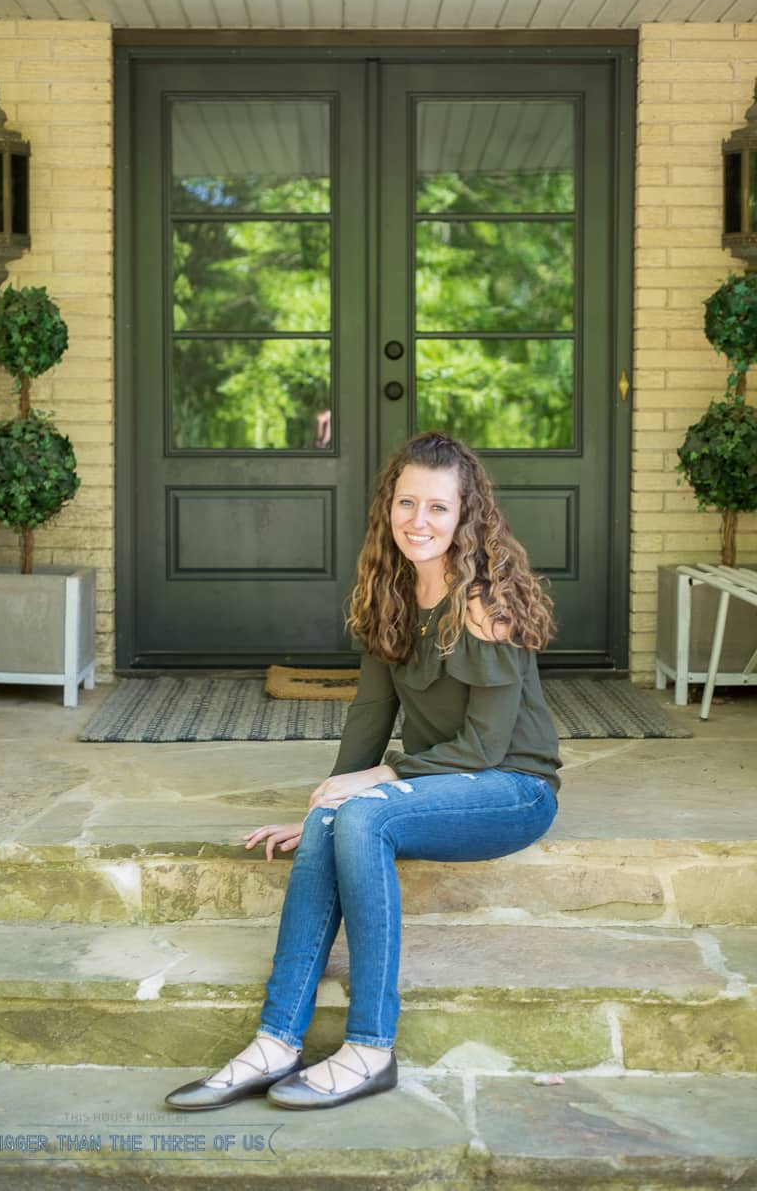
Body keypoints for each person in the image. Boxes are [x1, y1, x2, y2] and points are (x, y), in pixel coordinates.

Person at [165, 431, 561, 1113]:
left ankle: (371, 1047)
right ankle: (276, 1040)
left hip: (512, 789)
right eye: (407, 502)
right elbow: (368, 723)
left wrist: (377, 778)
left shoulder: (485, 605)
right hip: (439, 779)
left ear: (467, 515)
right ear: (389, 508)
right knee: (340, 812)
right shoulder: (390, 595)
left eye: (439, 506)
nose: (420, 520)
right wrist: (320, 806)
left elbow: (484, 748)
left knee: (367, 808)